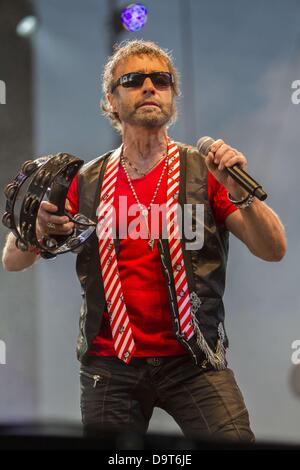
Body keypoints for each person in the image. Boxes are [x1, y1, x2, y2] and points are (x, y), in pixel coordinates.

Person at [2, 39, 287, 442]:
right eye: (134, 80)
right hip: (110, 364)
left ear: (173, 95)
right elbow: (12, 261)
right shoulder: (86, 182)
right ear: (111, 101)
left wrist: (240, 191)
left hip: (194, 360)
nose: (151, 87)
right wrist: (35, 230)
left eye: (162, 80)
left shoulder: (204, 172)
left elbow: (273, 249)